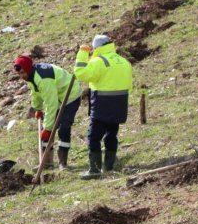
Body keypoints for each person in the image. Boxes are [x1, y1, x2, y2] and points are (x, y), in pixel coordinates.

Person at [73, 34, 133, 179]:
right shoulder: (123, 61)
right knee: (111, 135)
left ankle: (94, 170)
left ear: (96, 48)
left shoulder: (100, 61)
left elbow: (80, 74)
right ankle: (109, 166)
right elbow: (129, 85)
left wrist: (82, 54)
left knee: (93, 137)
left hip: (102, 104)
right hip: (120, 104)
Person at [13, 55, 82, 170]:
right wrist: (38, 108)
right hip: (58, 98)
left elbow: (51, 104)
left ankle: (62, 163)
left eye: (23, 73)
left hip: (70, 96)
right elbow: (35, 92)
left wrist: (48, 128)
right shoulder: (31, 76)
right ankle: (47, 162)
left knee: (64, 128)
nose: (22, 76)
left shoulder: (43, 78)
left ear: (28, 69)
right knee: (45, 130)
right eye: (19, 74)